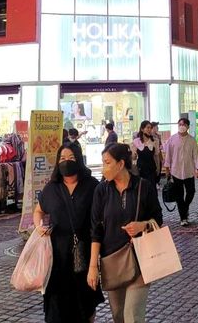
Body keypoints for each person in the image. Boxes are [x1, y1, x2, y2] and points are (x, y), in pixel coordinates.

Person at [88, 144, 163, 323]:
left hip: (140, 259)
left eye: (107, 163)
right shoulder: (102, 190)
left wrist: (143, 225)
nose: (103, 167)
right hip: (112, 261)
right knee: (118, 315)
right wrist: (93, 266)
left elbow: (158, 218)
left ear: (121, 164)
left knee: (132, 317)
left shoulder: (143, 186)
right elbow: (96, 229)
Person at [34, 144, 102, 323]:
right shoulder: (52, 188)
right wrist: (38, 226)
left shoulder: (92, 186)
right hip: (57, 258)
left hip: (85, 254)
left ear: (79, 159)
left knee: (86, 304)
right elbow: (38, 211)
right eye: (62, 158)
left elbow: (99, 222)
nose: (66, 161)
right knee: (57, 307)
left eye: (71, 157)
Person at [163, 118, 198, 226]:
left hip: (189, 171)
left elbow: (196, 155)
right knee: (179, 195)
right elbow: (168, 155)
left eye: (184, 124)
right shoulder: (172, 139)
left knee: (191, 191)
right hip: (176, 171)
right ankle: (183, 218)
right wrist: (167, 169)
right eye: (180, 124)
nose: (181, 126)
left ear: (188, 127)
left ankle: (185, 207)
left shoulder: (192, 140)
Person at [132, 121, 158, 188]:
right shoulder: (136, 141)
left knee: (152, 189)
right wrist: (133, 154)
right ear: (142, 129)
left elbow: (156, 157)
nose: (149, 130)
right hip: (141, 170)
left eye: (150, 128)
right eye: (147, 128)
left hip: (151, 169)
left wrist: (158, 169)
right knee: (142, 190)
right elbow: (134, 157)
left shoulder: (155, 141)